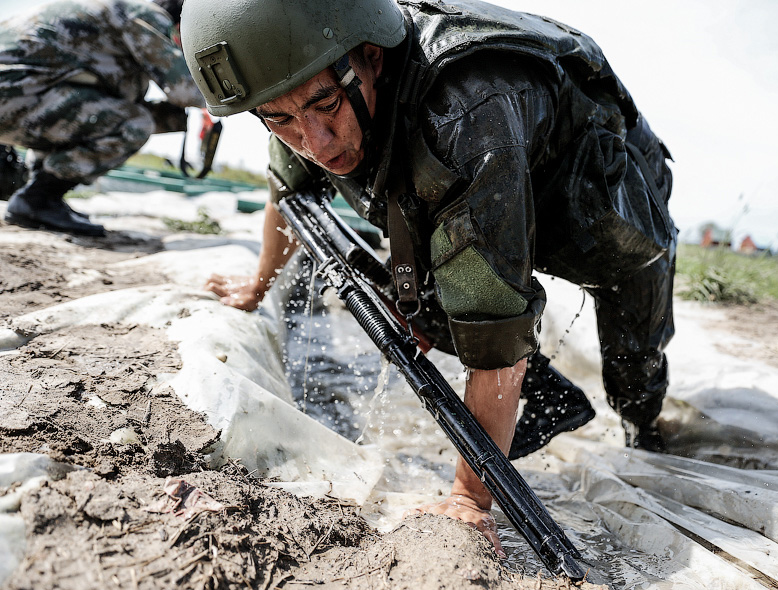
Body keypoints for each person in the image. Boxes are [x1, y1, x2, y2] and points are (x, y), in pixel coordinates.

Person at [182, 0, 677, 556]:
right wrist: (260, 282)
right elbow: (289, 186)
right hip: (487, 172)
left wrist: (469, 499)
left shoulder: (465, 114)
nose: (314, 141)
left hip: (605, 209)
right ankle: (524, 399)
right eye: (281, 119)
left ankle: (647, 429)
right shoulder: (304, 78)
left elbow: (492, 330)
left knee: (635, 376)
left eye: (326, 105)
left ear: (371, 57)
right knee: (417, 299)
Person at [0, 0, 206, 236]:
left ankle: (43, 197)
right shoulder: (146, 14)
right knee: (134, 124)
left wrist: (175, 118)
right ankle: (37, 200)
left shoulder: (109, 12)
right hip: (16, 95)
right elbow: (186, 90)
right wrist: (226, 101)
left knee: (104, 111)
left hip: (22, 93)